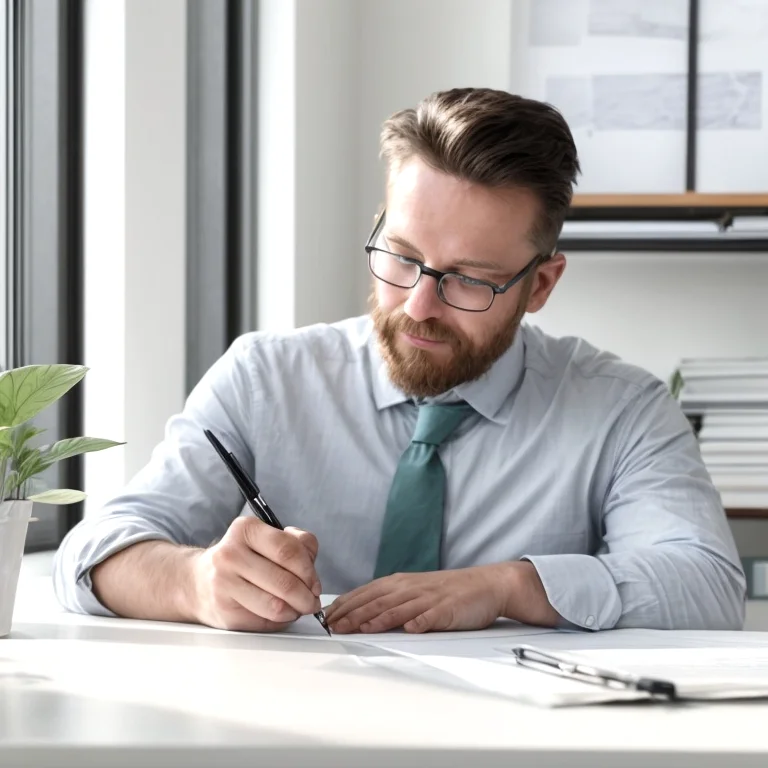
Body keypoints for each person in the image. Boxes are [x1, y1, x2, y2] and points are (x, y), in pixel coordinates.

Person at [53, 87, 746, 634]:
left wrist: (506, 586)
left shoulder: (622, 409)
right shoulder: (265, 379)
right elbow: (92, 556)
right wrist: (197, 581)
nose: (417, 306)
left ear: (540, 285)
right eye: (403, 258)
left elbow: (707, 584)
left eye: (469, 279)